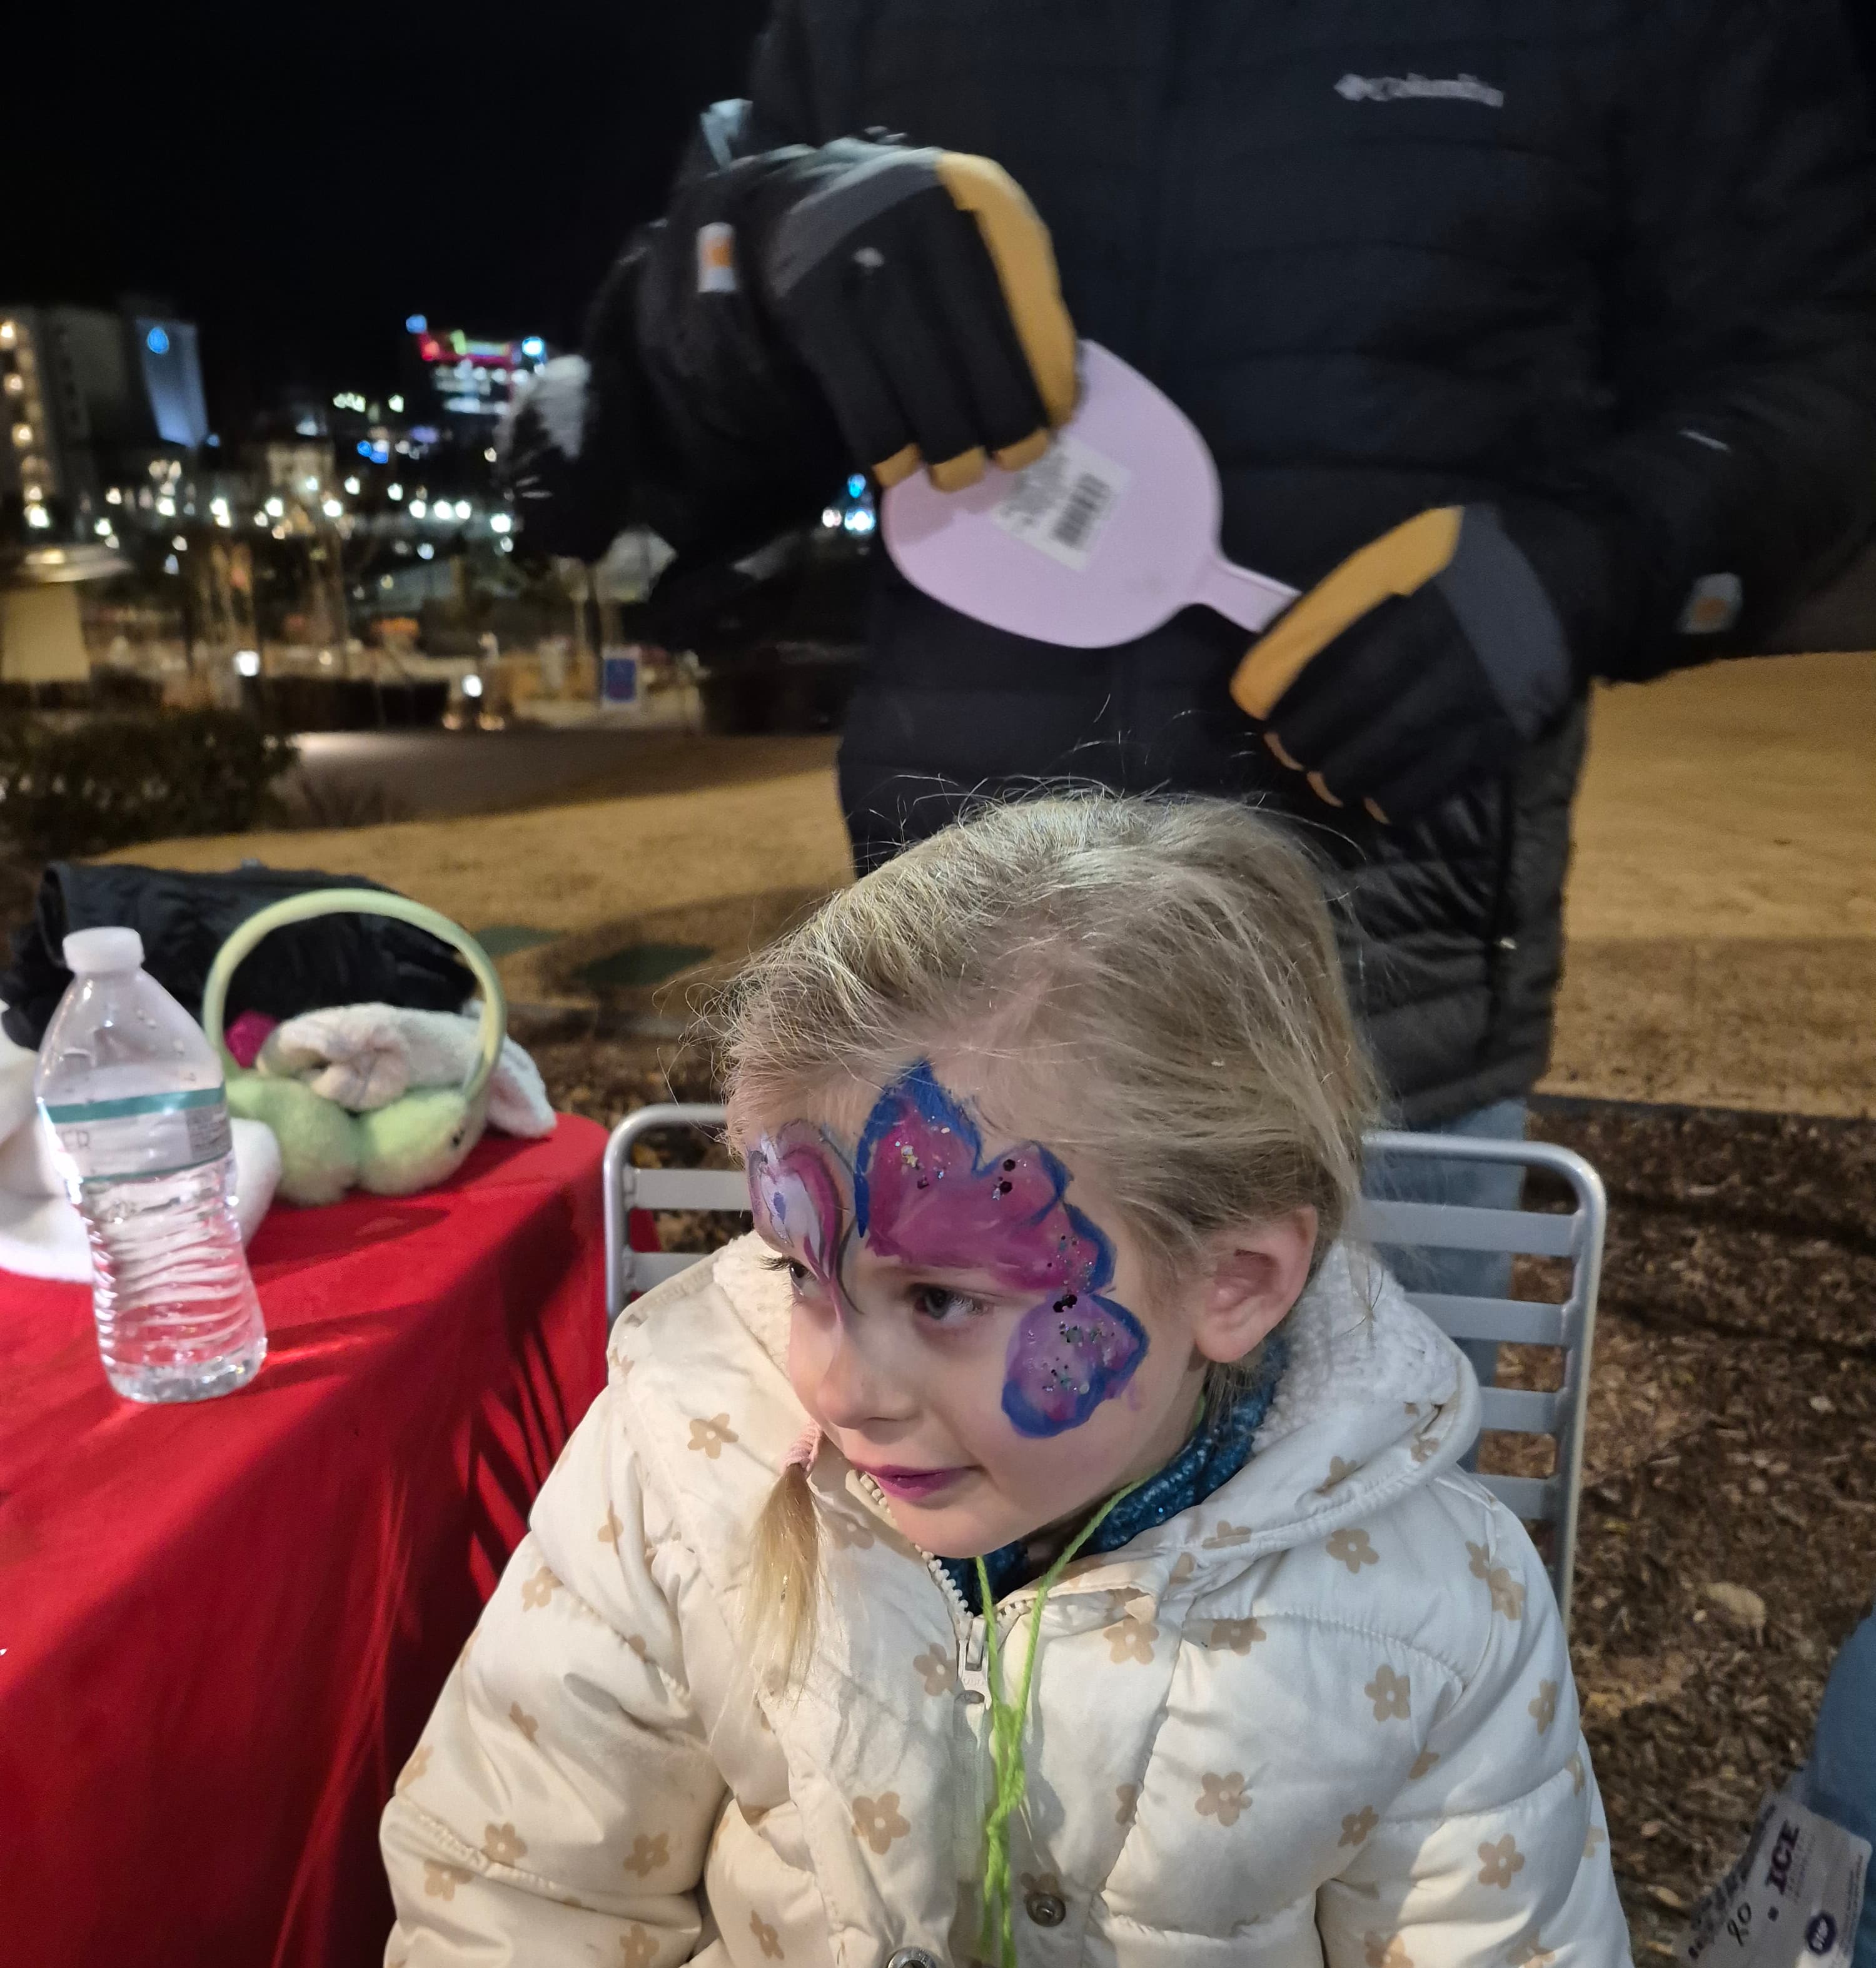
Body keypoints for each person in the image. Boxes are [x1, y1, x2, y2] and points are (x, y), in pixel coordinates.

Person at [380, 792, 1673, 1968]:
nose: (838, 1384)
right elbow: (514, 1932)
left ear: (1239, 1281)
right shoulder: (682, 1475)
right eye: (797, 1265)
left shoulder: (1434, 1627)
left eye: (942, 1300)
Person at [503, 0, 1876, 1150]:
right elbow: (680, 448)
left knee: (1362, 1476)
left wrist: (1575, 574)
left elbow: (1825, 369)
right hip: (944, 1023)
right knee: (911, 1473)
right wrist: (757, 261)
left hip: (1363, 1052)